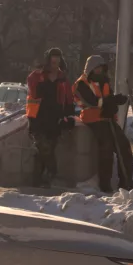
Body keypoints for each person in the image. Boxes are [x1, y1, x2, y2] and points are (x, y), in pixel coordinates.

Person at [73, 55, 133, 193]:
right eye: (97, 68)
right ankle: (105, 183)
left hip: (107, 119)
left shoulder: (104, 82)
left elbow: (108, 98)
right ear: (90, 69)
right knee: (106, 147)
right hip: (92, 119)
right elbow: (92, 101)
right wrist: (111, 102)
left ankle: (126, 181)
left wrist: (115, 102)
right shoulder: (81, 84)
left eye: (101, 68)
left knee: (124, 145)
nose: (99, 70)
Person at [26, 48, 76, 188]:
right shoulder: (37, 75)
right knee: (44, 147)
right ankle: (52, 173)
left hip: (55, 119)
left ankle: (38, 181)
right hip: (37, 118)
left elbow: (68, 99)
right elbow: (32, 88)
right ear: (48, 61)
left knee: (46, 150)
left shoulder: (63, 78)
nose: (55, 64)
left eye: (58, 61)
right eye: (53, 61)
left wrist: (69, 116)